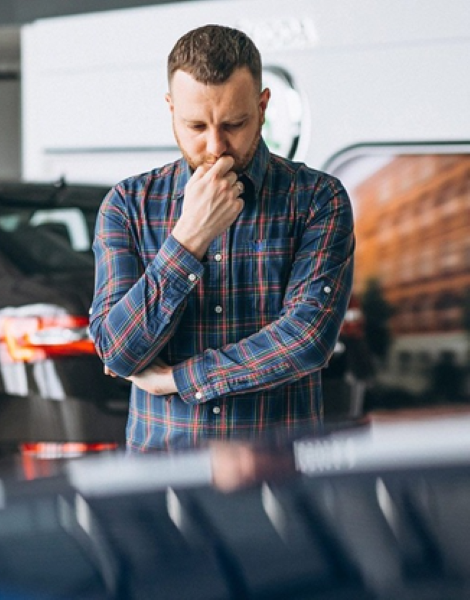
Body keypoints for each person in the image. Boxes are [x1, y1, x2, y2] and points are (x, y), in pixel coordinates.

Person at [89, 25, 355, 451]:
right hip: (162, 482)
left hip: (278, 476)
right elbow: (118, 353)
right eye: (196, 125)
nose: (216, 146)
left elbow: (306, 339)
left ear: (263, 106)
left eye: (234, 123)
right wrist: (189, 239)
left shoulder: (317, 199)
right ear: (170, 109)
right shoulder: (128, 204)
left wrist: (177, 378)